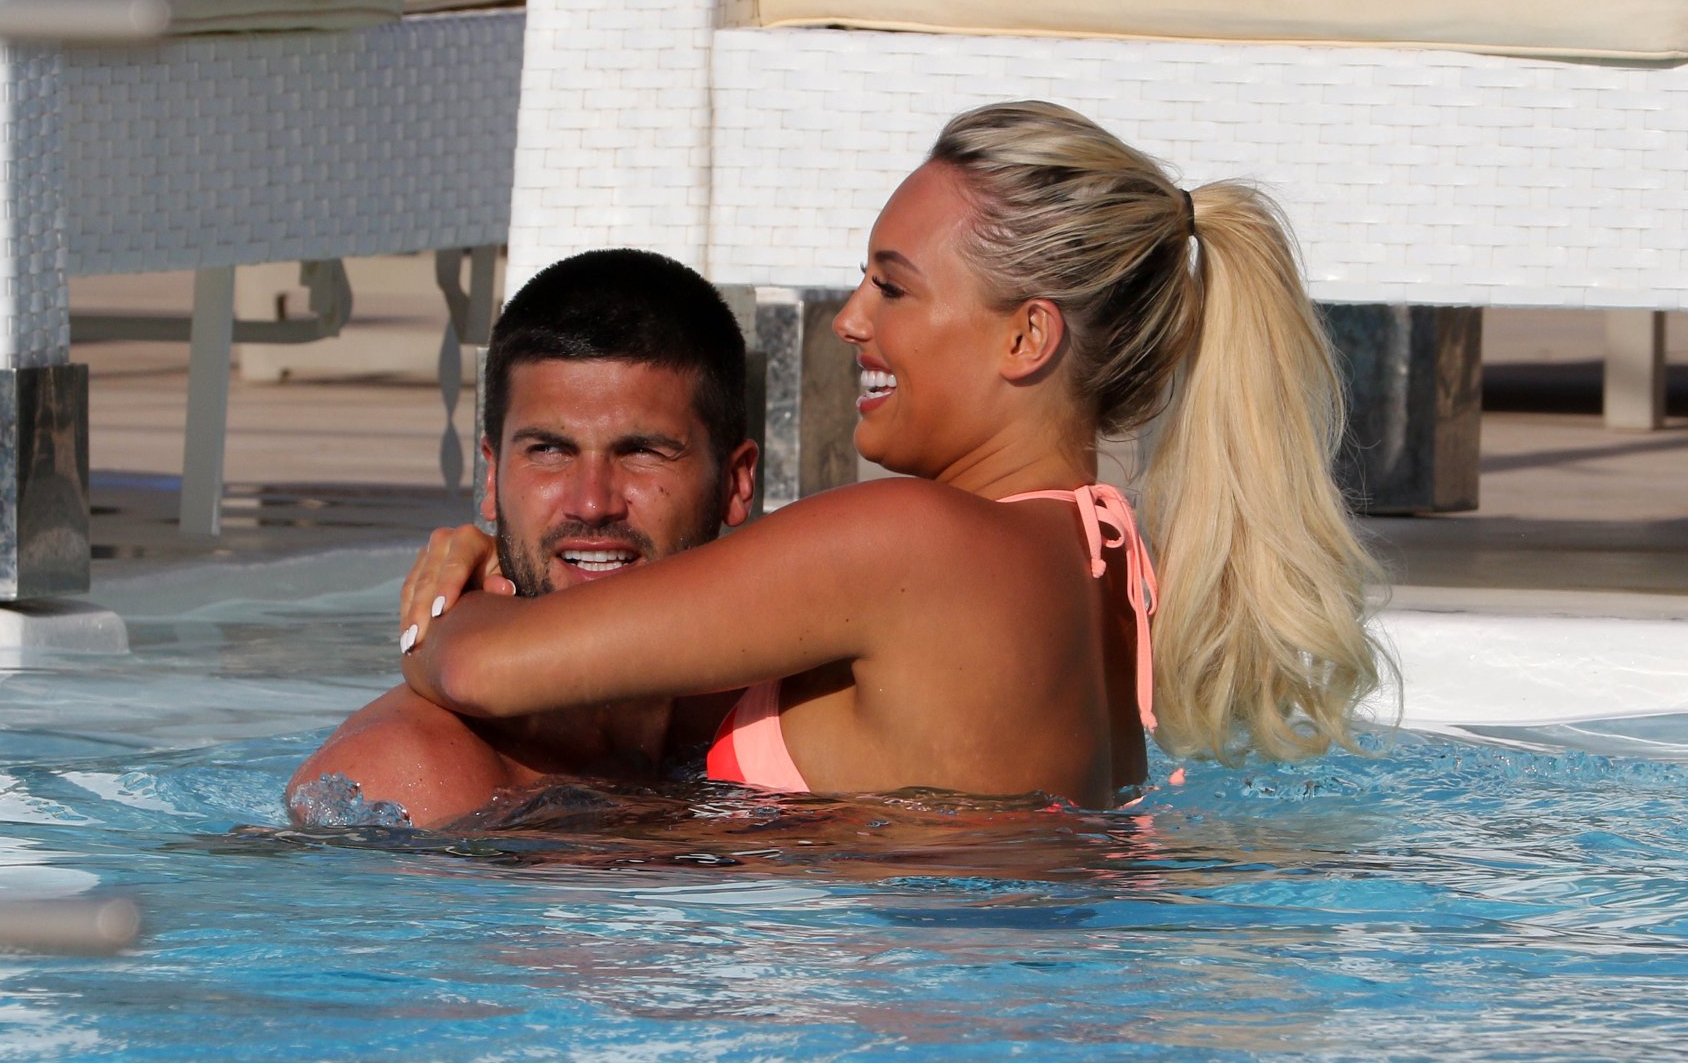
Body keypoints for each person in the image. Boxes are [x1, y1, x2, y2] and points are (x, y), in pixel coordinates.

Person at [397, 101, 1390, 809]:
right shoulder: (1112, 559)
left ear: (1026, 336)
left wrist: (453, 597)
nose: (850, 320)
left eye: (893, 287)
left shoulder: (909, 541)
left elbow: (479, 668)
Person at [286, 249, 759, 827]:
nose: (592, 504)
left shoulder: (779, 705)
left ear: (736, 482)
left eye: (642, 451)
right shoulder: (411, 776)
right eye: (549, 450)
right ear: (491, 477)